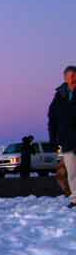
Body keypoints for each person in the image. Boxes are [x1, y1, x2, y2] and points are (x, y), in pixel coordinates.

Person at [48, 65, 76, 207]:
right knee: (71, 172)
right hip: (67, 140)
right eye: (69, 76)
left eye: (74, 75)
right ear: (65, 78)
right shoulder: (59, 95)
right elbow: (52, 118)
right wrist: (53, 139)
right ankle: (75, 199)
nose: (72, 79)